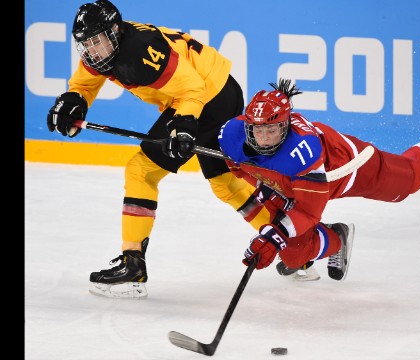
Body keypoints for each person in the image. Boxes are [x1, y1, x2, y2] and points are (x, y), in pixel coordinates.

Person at [46, 0, 271, 298]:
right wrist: (74, 99)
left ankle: (133, 264)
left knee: (142, 171)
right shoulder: (104, 50)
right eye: (86, 44)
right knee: (225, 183)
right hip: (205, 93)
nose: (91, 50)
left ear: (114, 32)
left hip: (210, 96)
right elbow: (85, 84)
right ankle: (295, 244)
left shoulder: (141, 51)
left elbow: (192, 88)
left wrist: (185, 124)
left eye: (96, 41)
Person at [217, 79, 420, 281]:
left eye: (271, 130)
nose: (263, 137)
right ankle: (338, 237)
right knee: (293, 253)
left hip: (345, 168)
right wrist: (268, 193)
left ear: (285, 126)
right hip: (291, 183)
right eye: (258, 129)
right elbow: (239, 168)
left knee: (407, 181)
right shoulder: (232, 134)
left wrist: (275, 234)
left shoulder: (303, 151)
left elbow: (308, 212)